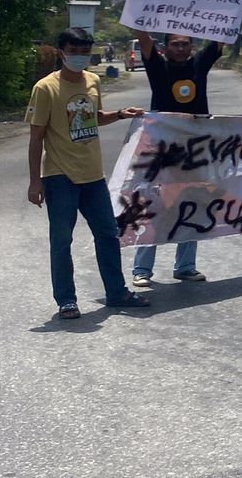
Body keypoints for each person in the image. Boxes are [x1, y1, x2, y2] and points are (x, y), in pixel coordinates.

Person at [26, 26, 150, 319]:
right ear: (62, 52)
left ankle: (116, 293)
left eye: (85, 52)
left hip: (93, 175)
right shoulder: (45, 88)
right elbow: (36, 137)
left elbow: (92, 118)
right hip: (60, 176)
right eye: (74, 52)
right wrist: (35, 181)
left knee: (108, 234)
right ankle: (66, 300)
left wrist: (119, 114)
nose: (79, 57)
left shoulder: (93, 81)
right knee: (61, 241)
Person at [130, 28, 223, 287]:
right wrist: (138, 8)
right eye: (175, 44)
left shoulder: (199, 65)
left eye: (185, 44)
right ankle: (142, 269)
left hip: (195, 151)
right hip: (161, 151)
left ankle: (185, 266)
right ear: (165, 47)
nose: (180, 49)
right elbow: (143, 38)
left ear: (192, 47)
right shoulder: (157, 67)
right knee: (153, 206)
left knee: (193, 201)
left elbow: (220, 38)